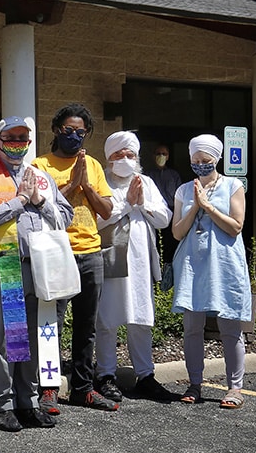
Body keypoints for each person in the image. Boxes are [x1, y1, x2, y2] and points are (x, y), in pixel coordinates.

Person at [0, 116, 73, 432]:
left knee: (31, 340)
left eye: (23, 138)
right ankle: (5, 404)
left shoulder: (39, 177)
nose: (18, 144)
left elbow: (65, 216)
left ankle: (29, 402)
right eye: (11, 138)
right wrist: (21, 200)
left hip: (39, 269)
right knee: (3, 341)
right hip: (5, 266)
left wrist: (39, 200)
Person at [32, 103, 117, 411]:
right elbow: (40, 207)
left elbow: (107, 210)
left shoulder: (92, 165)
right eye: (69, 131)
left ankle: (82, 388)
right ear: (56, 130)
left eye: (80, 132)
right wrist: (70, 186)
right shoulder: (41, 165)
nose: (74, 136)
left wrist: (86, 186)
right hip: (56, 252)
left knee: (86, 325)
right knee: (50, 324)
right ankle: (49, 388)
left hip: (90, 252)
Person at [171, 134, 251, 409]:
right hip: (193, 263)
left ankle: (235, 387)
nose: (201, 165)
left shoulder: (232, 185)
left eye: (206, 160)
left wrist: (208, 206)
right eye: (195, 160)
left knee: (230, 326)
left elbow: (235, 226)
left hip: (224, 263)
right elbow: (178, 231)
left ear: (217, 158)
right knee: (192, 327)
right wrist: (195, 205)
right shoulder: (184, 190)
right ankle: (195, 383)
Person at [94, 132, 175, 402]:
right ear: (109, 158)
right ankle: (106, 374)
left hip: (140, 262)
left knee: (141, 318)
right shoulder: (101, 181)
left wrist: (142, 203)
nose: (126, 160)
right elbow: (96, 221)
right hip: (111, 259)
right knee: (107, 319)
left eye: (131, 155)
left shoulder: (147, 183)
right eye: (120, 155)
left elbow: (164, 218)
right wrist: (127, 204)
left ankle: (145, 375)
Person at [146, 144, 182, 279]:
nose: (161, 156)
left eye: (164, 154)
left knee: (170, 245)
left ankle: (169, 277)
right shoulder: (148, 175)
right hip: (153, 214)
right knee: (155, 246)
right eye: (158, 153)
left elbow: (179, 196)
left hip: (172, 213)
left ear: (168, 157)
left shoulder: (173, 175)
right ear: (153, 155)